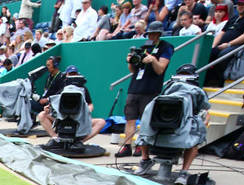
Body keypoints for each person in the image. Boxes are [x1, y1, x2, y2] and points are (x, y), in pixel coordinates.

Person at [116, 20, 173, 158]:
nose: (151, 37)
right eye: (149, 34)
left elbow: (160, 70)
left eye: (154, 34)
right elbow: (133, 70)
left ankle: (142, 146)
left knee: (145, 119)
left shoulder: (166, 47)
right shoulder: (143, 47)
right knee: (130, 118)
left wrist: (153, 60)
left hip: (150, 87)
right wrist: (130, 61)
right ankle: (127, 146)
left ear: (159, 34)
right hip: (135, 86)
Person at [37, 65, 105, 143]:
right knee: (42, 115)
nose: (72, 76)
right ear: (66, 75)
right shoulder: (63, 88)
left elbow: (90, 104)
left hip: (80, 118)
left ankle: (81, 141)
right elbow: (53, 102)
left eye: (74, 74)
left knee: (101, 122)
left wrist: (88, 110)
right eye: (70, 74)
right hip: (62, 117)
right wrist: (47, 109)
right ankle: (56, 138)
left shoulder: (83, 89)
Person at [204, 0, 244, 87]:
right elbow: (222, 33)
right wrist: (213, 46)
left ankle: (218, 82)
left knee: (224, 54)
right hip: (224, 45)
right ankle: (208, 81)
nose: (240, 6)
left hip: (241, 46)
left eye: (243, 4)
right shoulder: (234, 18)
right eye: (238, 4)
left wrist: (229, 44)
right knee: (207, 53)